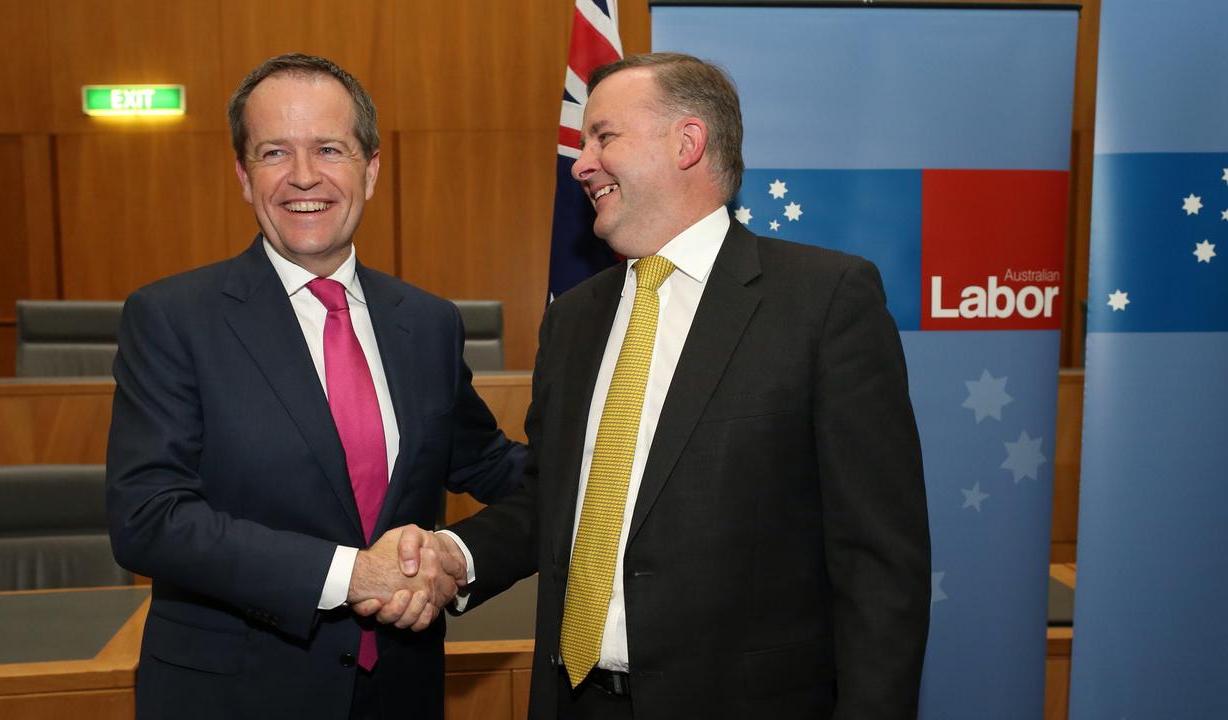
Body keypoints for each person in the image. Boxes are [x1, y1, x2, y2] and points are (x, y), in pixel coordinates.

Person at [385, 53, 931, 718]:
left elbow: (879, 566)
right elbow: (554, 501)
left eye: (603, 137)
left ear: (687, 142)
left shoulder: (823, 302)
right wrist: (455, 555)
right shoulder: (574, 320)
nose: (581, 163)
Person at [105, 53, 525, 720]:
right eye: (274, 152)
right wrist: (352, 574)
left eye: (329, 148)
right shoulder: (172, 318)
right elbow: (149, 519)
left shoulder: (429, 323)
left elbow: (502, 470)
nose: (304, 177)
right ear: (244, 176)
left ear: (371, 167)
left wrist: (462, 555)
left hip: (399, 693)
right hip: (232, 697)